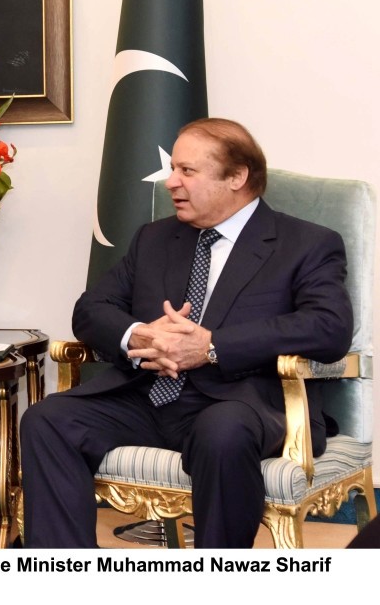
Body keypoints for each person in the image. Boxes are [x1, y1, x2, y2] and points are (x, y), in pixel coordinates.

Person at [20, 118, 354, 548]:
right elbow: (91, 309)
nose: (170, 182)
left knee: (223, 432)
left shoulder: (305, 243)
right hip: (148, 395)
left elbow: (328, 327)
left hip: (244, 402)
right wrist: (140, 336)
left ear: (237, 177)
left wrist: (212, 346)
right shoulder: (155, 239)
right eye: (173, 168)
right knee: (47, 420)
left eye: (187, 171)